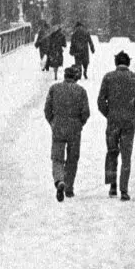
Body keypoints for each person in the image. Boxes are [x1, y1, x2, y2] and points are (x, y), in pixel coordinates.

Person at [96, 48, 135, 201]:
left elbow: (101, 101)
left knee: (112, 152)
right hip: (128, 123)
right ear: (128, 63)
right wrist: (134, 115)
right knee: (126, 156)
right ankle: (124, 189)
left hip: (113, 122)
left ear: (116, 63)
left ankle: (112, 185)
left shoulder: (108, 78)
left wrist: (109, 114)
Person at [43, 62, 90, 200]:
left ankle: (59, 180)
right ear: (75, 77)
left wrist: (53, 122)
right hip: (74, 129)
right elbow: (86, 112)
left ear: (64, 76)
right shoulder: (81, 91)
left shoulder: (54, 88)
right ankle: (69, 187)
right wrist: (79, 123)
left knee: (57, 157)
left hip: (58, 127)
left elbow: (47, 110)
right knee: (72, 158)